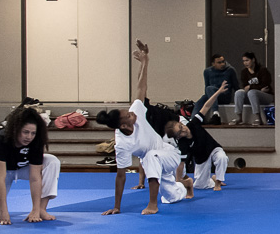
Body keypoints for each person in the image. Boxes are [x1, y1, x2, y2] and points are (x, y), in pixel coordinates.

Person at [95, 41, 188, 215]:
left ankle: (152, 205)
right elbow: (120, 176)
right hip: (154, 166)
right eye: (129, 116)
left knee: (150, 156)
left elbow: (141, 86)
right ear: (123, 125)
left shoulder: (135, 110)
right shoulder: (122, 143)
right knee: (171, 196)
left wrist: (145, 61)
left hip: (169, 154)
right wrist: (117, 206)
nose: (133, 114)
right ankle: (185, 186)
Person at [0, 105, 61, 225]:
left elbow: (35, 178)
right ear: (15, 129)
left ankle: (42, 208)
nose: (29, 137)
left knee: (52, 161)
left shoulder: (36, 140)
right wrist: (3, 211)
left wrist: (35, 210)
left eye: (33, 133)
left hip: (22, 167)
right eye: (25, 132)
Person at [167, 83, 231, 191]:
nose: (184, 129)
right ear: (178, 137)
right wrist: (177, 183)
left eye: (182, 126)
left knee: (222, 158)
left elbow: (206, 106)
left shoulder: (193, 124)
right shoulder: (183, 144)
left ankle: (218, 183)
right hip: (201, 158)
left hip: (212, 148)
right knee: (200, 186)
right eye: (181, 132)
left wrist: (218, 92)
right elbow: (181, 164)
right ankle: (213, 179)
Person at [233, 51, 274, 126]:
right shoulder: (244, 72)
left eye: (247, 60)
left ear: (253, 60)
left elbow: (265, 85)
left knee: (252, 92)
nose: (245, 63)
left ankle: (258, 117)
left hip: (266, 96)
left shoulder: (262, 70)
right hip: (252, 96)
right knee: (239, 92)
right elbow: (245, 87)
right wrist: (258, 88)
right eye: (244, 61)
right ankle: (239, 117)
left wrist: (251, 87)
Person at [195, 53, 239, 123]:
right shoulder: (207, 72)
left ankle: (215, 113)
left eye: (223, 61)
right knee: (200, 100)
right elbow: (206, 86)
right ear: (213, 64)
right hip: (212, 95)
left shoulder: (230, 70)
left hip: (224, 96)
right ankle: (193, 120)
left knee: (210, 88)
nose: (222, 64)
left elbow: (236, 87)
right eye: (219, 62)